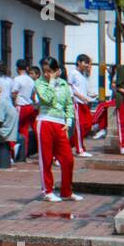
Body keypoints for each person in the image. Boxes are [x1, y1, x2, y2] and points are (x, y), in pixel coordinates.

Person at [33, 57, 81, 202]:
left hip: (60, 124)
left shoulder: (64, 84)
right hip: (45, 121)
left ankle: (66, 191)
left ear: (57, 71)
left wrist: (68, 121)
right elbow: (46, 98)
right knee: (46, 159)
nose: (47, 74)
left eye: (50, 71)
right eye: (44, 71)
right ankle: (47, 190)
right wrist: (51, 82)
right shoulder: (40, 83)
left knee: (68, 159)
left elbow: (68, 105)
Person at [12, 60, 37, 155]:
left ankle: (14, 152)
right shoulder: (31, 79)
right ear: (27, 68)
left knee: (16, 129)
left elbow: (14, 93)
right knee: (25, 129)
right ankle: (24, 152)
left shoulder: (17, 79)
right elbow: (34, 94)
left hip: (20, 106)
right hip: (29, 106)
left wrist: (14, 103)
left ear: (18, 68)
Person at [0, 86, 18, 168]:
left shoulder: (1, 103)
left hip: (7, 129)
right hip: (11, 127)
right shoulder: (4, 100)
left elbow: (0, 121)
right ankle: (9, 157)